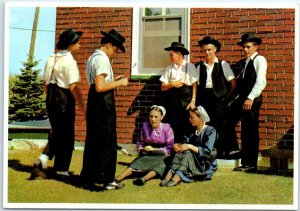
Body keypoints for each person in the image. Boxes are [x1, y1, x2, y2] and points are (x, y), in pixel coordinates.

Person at [80, 29, 129, 190]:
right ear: (108, 45)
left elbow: (97, 83)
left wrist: (113, 80)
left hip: (94, 100)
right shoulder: (102, 60)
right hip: (103, 101)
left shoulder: (92, 58)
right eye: (115, 49)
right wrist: (120, 84)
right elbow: (101, 87)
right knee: (108, 140)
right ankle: (107, 179)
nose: (114, 53)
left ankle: (89, 177)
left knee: (94, 139)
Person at [34, 28, 85, 177]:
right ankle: (59, 166)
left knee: (58, 131)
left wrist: (50, 98)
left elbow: (45, 83)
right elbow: (73, 86)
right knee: (67, 134)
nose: (79, 45)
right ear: (70, 45)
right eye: (77, 42)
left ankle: (51, 161)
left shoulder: (51, 58)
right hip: (64, 99)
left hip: (50, 98)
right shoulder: (69, 61)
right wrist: (81, 104)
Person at [229, 33, 267, 172]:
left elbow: (261, 81)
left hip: (253, 100)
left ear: (256, 47)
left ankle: (251, 164)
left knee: (251, 131)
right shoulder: (246, 62)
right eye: (244, 47)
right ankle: (245, 162)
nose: (245, 50)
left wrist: (251, 98)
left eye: (248, 47)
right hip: (245, 100)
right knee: (244, 130)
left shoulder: (259, 59)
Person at [196, 36, 238, 158]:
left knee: (222, 124)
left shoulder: (223, 64)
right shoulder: (200, 67)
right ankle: (213, 151)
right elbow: (198, 86)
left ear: (215, 50)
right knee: (209, 124)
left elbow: (233, 84)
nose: (206, 52)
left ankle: (228, 151)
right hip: (205, 99)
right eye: (204, 50)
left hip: (220, 99)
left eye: (209, 50)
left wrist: (226, 98)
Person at [114, 105, 174, 186]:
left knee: (161, 165)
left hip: (162, 155)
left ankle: (144, 179)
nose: (153, 119)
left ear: (162, 117)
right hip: (148, 153)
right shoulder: (145, 127)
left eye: (156, 117)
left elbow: (169, 147)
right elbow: (140, 143)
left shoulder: (167, 129)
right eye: (151, 116)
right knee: (137, 161)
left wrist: (154, 149)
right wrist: (142, 149)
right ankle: (118, 178)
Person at [160, 105, 217, 187]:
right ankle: (168, 175)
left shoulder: (210, 131)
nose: (189, 120)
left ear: (200, 118)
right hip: (192, 158)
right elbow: (186, 142)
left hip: (204, 162)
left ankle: (176, 177)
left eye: (192, 117)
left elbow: (206, 152)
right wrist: (179, 146)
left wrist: (189, 146)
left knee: (188, 153)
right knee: (181, 152)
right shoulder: (193, 131)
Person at [160, 42, 198, 143]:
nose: (170, 57)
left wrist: (193, 101)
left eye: (171, 55)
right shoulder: (169, 68)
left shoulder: (190, 67)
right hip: (173, 102)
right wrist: (171, 84)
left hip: (186, 100)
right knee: (173, 124)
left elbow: (194, 85)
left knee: (187, 124)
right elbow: (163, 87)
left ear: (179, 55)